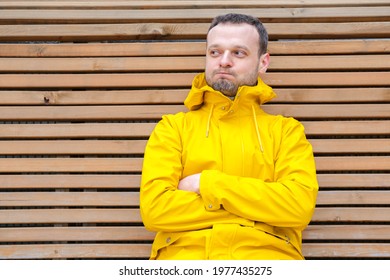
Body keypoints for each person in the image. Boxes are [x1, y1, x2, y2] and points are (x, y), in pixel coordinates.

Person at [140, 13, 318, 260]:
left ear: (263, 62)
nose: (224, 61)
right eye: (215, 52)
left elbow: (298, 208)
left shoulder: (286, 132)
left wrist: (205, 184)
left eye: (238, 53)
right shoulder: (173, 129)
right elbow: (156, 210)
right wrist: (259, 211)